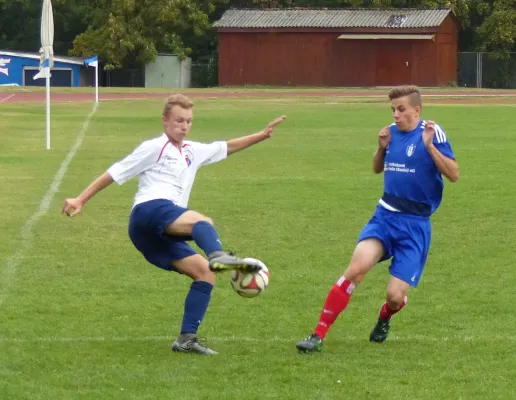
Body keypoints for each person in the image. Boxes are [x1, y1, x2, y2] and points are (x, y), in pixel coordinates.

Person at [62, 93, 286, 355]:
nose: (184, 126)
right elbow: (115, 172)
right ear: (165, 120)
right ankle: (219, 256)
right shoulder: (154, 147)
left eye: (189, 121)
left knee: (205, 273)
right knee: (202, 222)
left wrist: (261, 135)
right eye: (179, 120)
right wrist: (81, 199)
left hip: (155, 235)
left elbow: (227, 147)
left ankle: (186, 339)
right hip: (148, 211)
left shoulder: (193, 151)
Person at [296, 85, 459, 353]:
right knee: (356, 269)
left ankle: (385, 316)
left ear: (417, 110)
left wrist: (429, 147)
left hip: (416, 225)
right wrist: (381, 148)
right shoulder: (391, 133)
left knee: (395, 297)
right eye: (393, 109)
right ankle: (318, 334)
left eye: (401, 109)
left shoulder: (432, 132)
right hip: (385, 216)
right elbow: (375, 169)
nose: (395, 115)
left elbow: (453, 174)